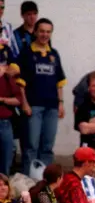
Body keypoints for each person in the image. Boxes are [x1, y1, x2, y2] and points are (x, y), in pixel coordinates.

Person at [15, 18, 66, 176]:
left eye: (48, 31)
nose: (45, 34)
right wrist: (24, 103)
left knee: (47, 146)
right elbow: (20, 83)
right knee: (31, 146)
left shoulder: (54, 54)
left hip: (52, 107)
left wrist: (61, 103)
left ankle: (45, 181)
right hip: (33, 106)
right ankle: (29, 182)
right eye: (42, 31)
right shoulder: (26, 53)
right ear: (35, 32)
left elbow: (59, 82)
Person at [0, 60, 21, 175]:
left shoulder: (7, 78)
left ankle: (3, 188)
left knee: (5, 159)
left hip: (4, 122)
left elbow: (18, 100)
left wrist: (3, 100)